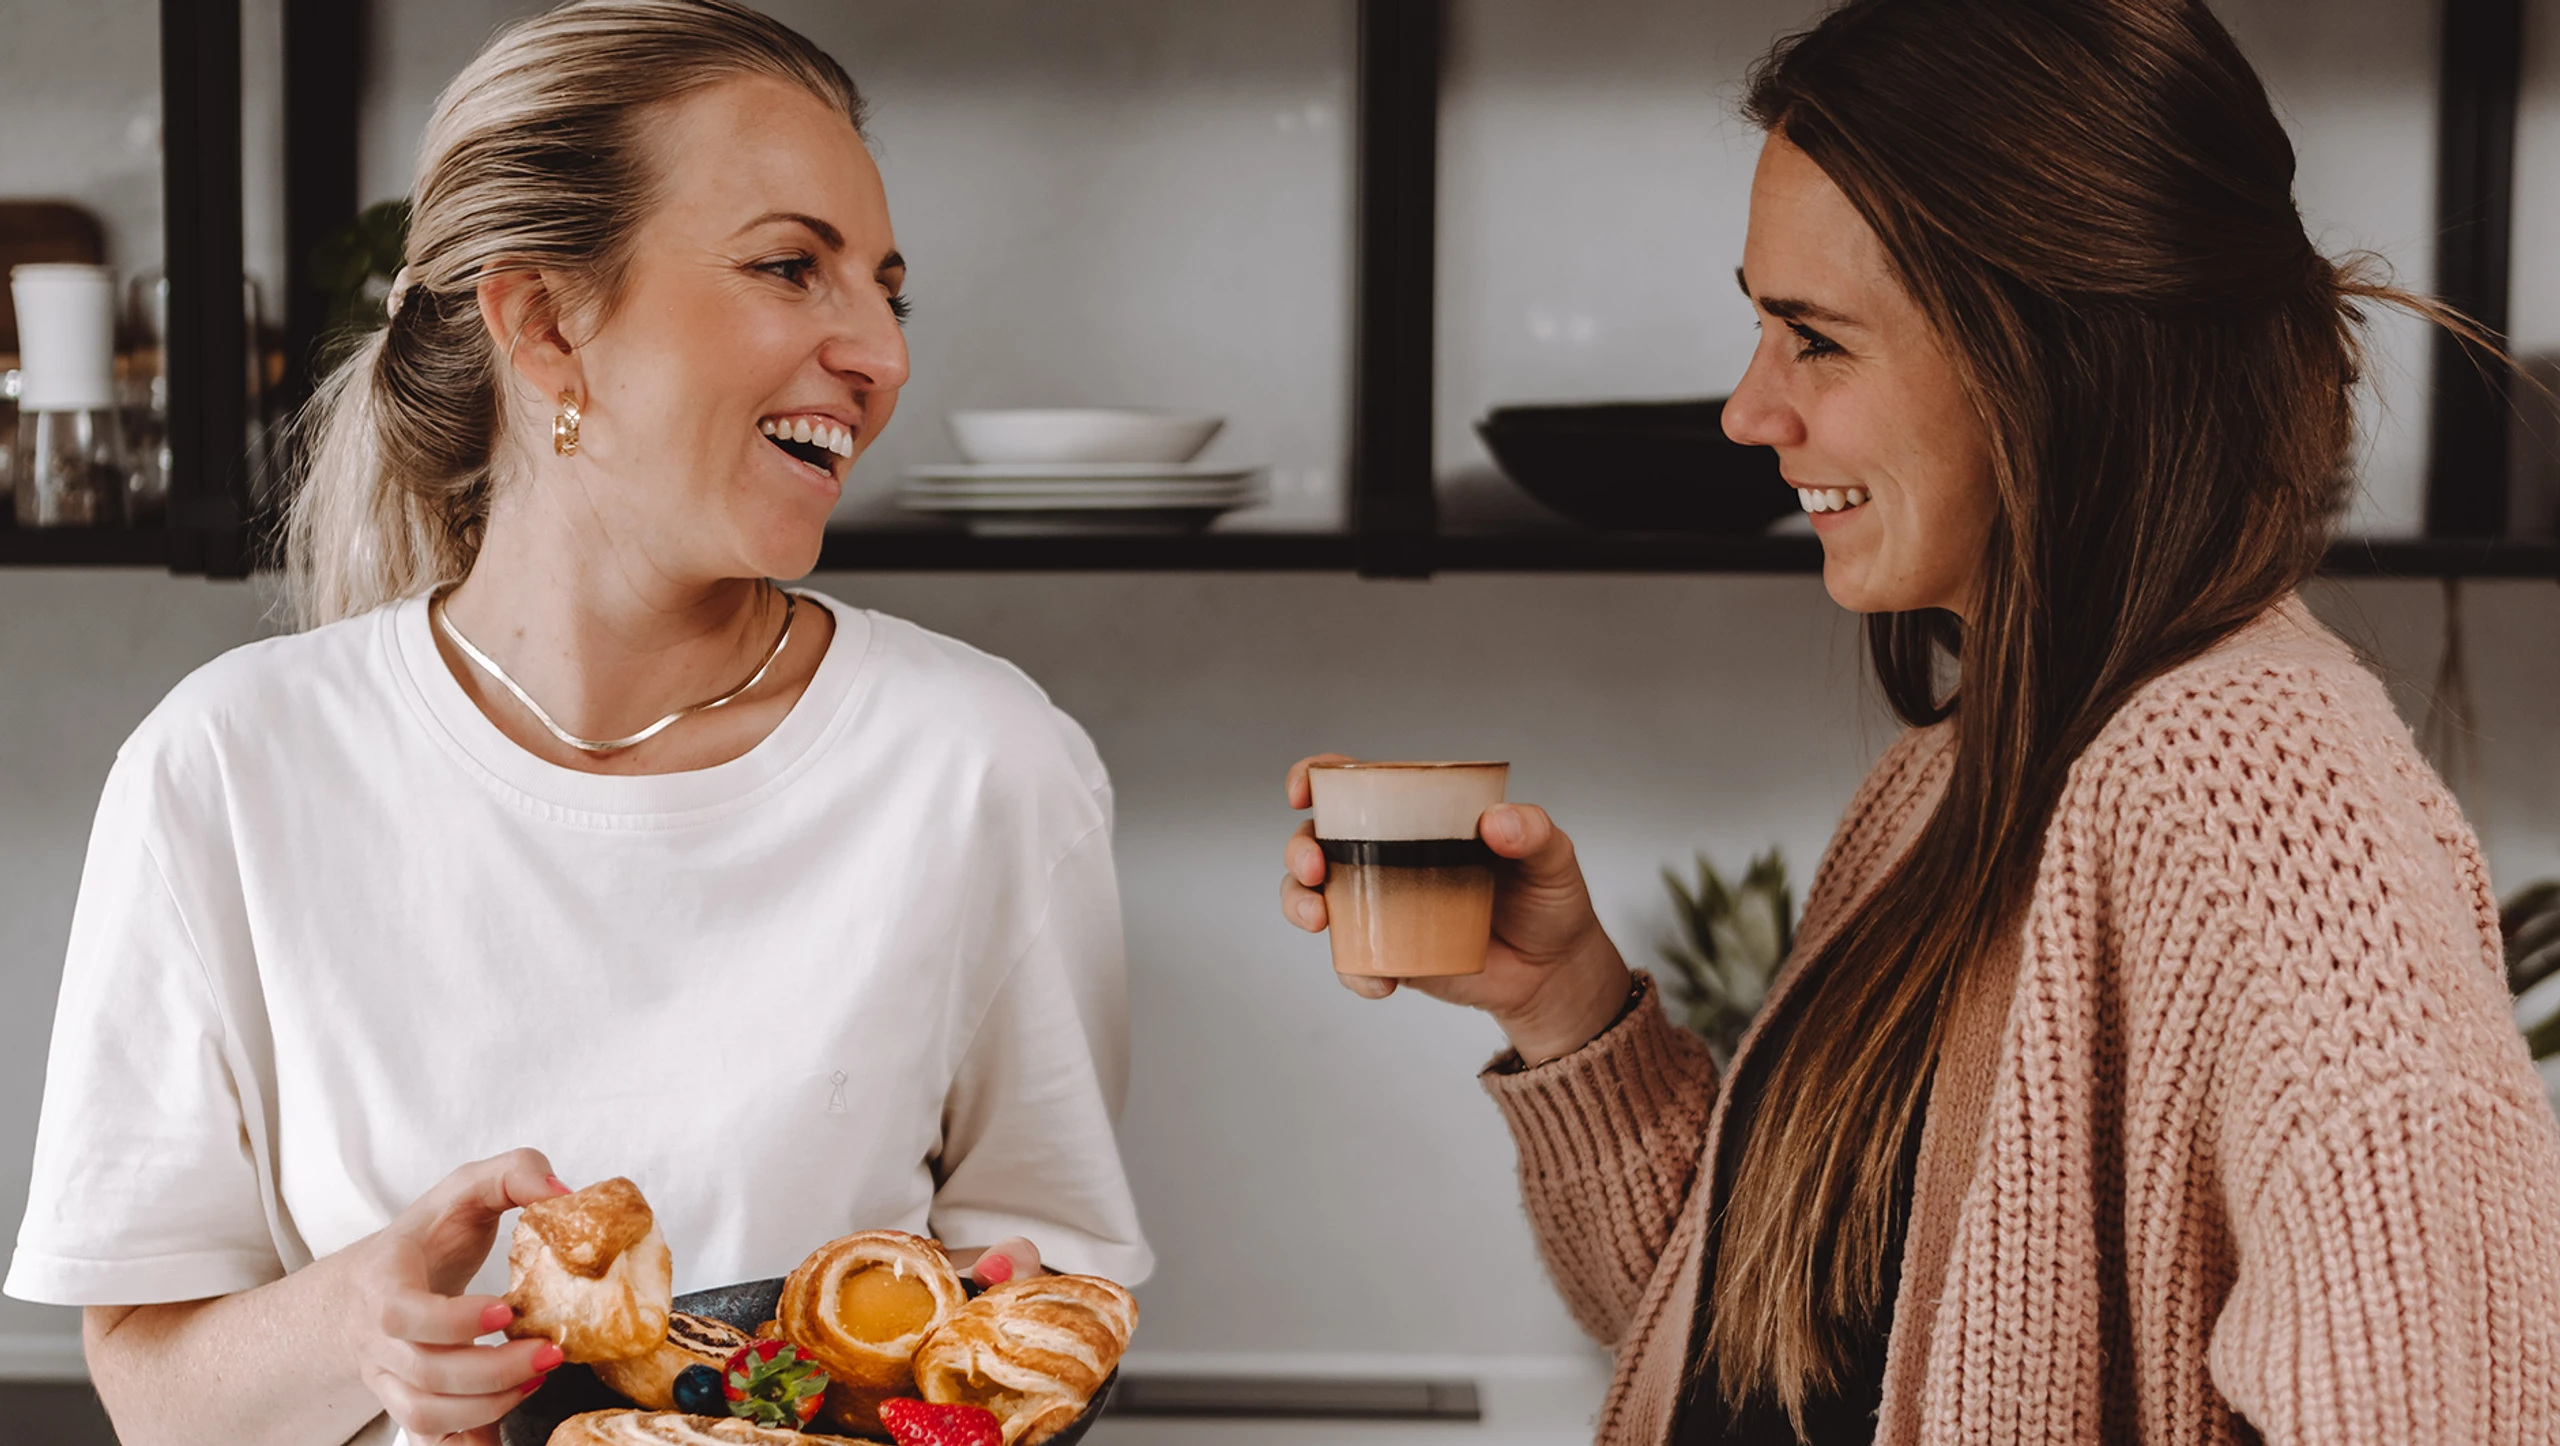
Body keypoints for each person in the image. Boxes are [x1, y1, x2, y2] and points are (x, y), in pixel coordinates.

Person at [1281, 1, 2560, 1442]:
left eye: (1815, 342)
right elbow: (1763, 1358)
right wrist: (1563, 1002)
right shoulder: (1955, 778)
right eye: (1758, 325)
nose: (1747, 411)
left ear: (2055, 360)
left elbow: (2444, 1396)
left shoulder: (2255, 788)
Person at [4, 4, 1150, 1444]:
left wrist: (998, 1345)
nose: (880, 355)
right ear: (546, 322)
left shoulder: (987, 762)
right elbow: (152, 1383)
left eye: (887, 289)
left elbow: (1057, 1306)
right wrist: (364, 1322)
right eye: (791, 267)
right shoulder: (228, 767)